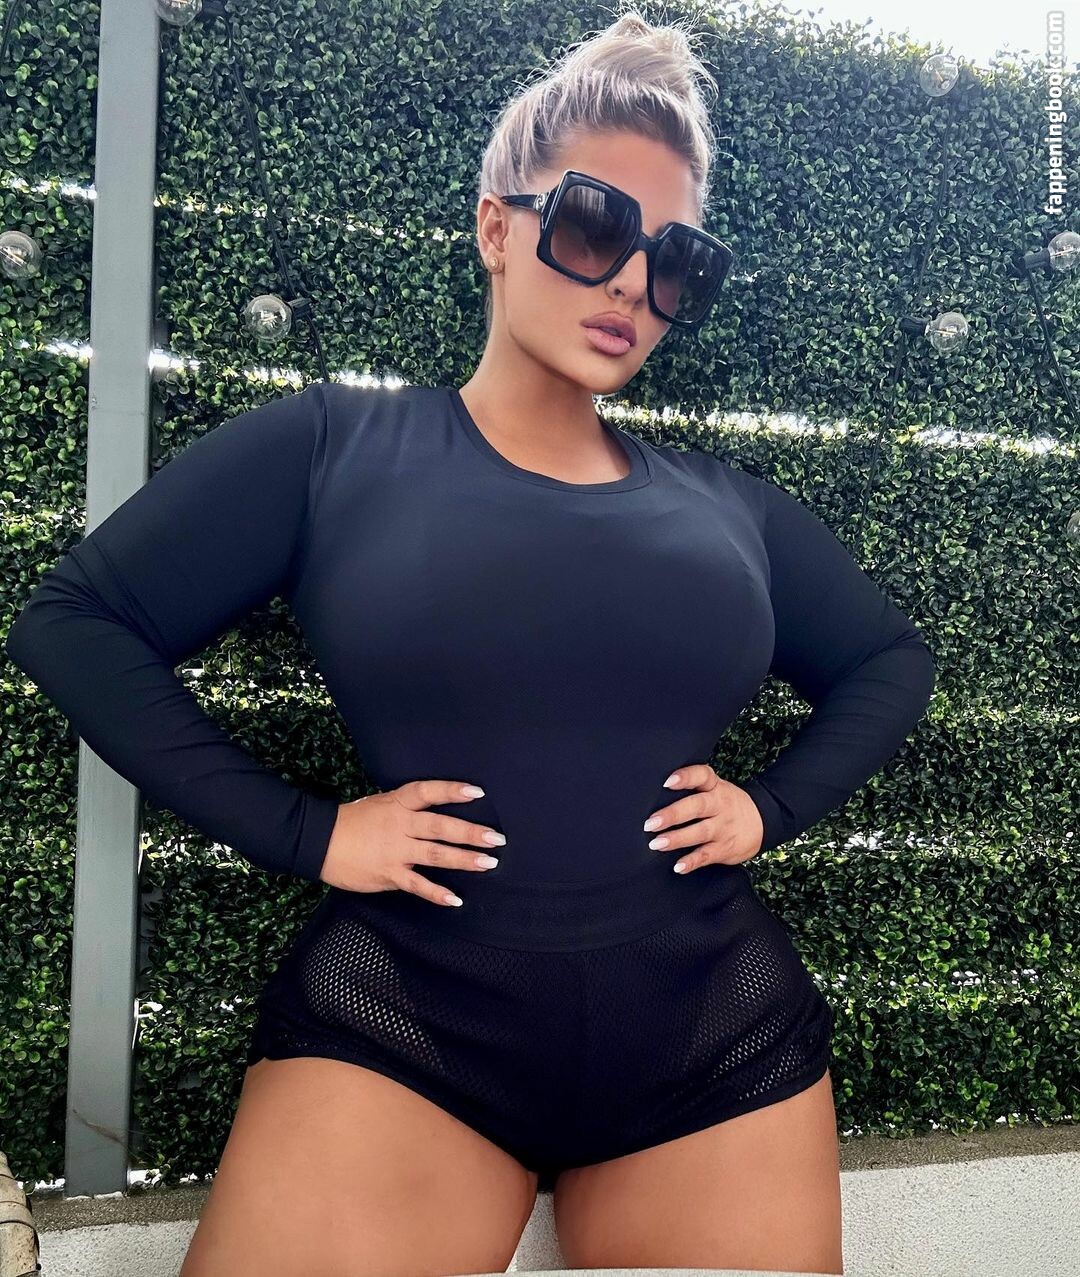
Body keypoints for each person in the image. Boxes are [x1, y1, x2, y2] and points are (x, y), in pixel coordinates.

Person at [5, 9, 935, 1276]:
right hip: (405, 1024)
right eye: (595, 225)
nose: (631, 283)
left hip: (712, 1034)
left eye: (676, 261)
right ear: (497, 227)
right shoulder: (338, 446)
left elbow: (889, 660)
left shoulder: (733, 506)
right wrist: (311, 832)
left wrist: (770, 808)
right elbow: (73, 623)